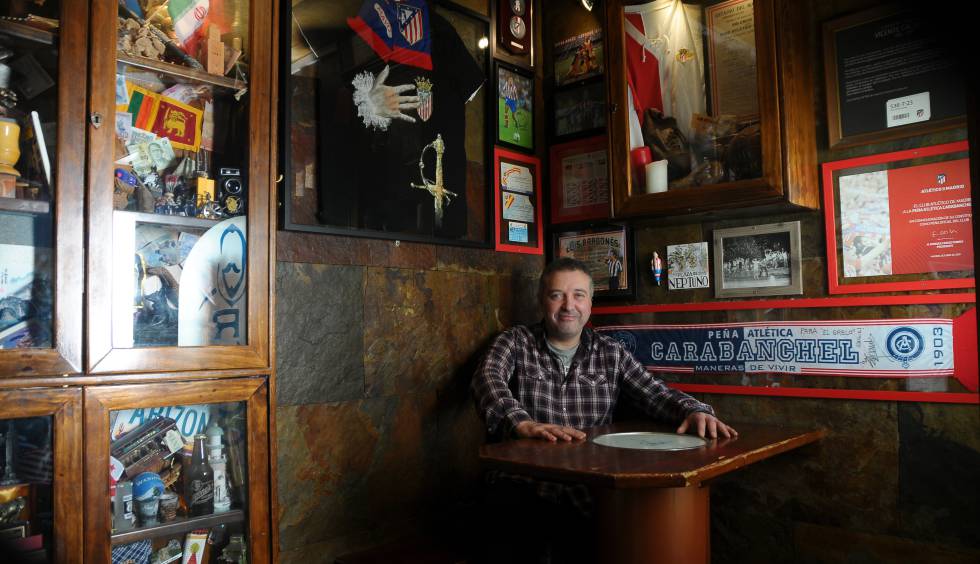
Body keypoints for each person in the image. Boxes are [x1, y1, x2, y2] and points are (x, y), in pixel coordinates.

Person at [470, 257, 736, 563]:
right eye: (557, 295)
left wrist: (695, 410)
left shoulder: (611, 352)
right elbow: (486, 379)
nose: (569, 305)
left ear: (590, 304)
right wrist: (522, 424)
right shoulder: (515, 341)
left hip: (589, 492)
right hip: (522, 488)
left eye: (578, 295)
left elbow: (655, 393)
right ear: (542, 300)